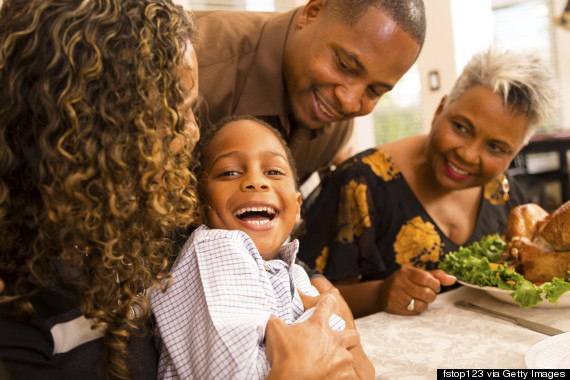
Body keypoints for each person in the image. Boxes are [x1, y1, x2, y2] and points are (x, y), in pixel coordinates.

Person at [0, 0, 366, 379]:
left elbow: (263, 252)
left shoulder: (153, 230)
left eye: (191, 109)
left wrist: (326, 297)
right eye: (173, 112)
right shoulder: (19, 311)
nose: (192, 131)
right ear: (88, 128)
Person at [294, 46, 560, 317]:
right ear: (440, 109)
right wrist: (380, 293)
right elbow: (297, 295)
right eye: (461, 128)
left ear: (516, 151)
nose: (467, 155)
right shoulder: (361, 182)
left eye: (496, 148)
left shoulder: (503, 192)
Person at [150, 115, 374, 379]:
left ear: (297, 205)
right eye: (229, 172)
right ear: (197, 207)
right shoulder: (216, 249)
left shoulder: (293, 272)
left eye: (274, 172)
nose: (256, 181)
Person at [193, 0, 426, 183]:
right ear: (311, 13)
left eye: (374, 91)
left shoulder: (334, 131)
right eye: (345, 66)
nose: (348, 102)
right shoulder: (192, 66)